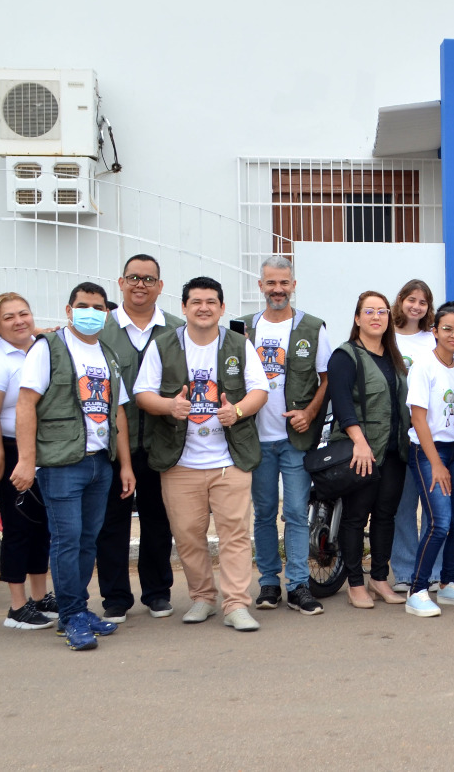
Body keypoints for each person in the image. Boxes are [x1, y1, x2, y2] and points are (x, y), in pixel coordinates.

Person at [134, 276, 268, 632]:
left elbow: (259, 390)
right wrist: (169, 406)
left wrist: (236, 412)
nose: (204, 307)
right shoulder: (163, 345)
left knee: (235, 534)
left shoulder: (240, 345)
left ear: (222, 308)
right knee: (188, 535)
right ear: (184, 307)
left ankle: (236, 604)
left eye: (211, 301)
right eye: (196, 301)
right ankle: (203, 597)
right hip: (180, 462)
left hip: (230, 461)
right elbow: (142, 393)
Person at [14, 283, 135, 650]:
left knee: (87, 541)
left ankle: (78, 609)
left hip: (101, 463)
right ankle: (70, 618)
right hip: (62, 463)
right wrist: (26, 460)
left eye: (98, 307)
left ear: (107, 313)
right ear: (69, 310)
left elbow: (118, 412)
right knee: (67, 541)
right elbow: (25, 404)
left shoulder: (108, 354)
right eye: (83, 305)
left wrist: (125, 465)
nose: (91, 312)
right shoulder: (49, 348)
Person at [240, 255, 330, 616]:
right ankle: (268, 583)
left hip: (295, 441)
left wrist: (310, 412)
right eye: (271, 283)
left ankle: (298, 585)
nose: (278, 289)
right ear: (260, 285)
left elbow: (327, 378)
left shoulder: (312, 327)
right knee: (263, 513)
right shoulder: (242, 328)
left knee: (294, 512)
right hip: (255, 438)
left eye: (284, 283)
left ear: (293, 285)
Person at [95, 254, 183, 623]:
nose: (140, 285)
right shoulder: (99, 329)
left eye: (148, 279)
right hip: (113, 446)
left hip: (162, 444)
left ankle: (158, 593)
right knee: (110, 524)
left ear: (160, 286)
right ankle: (115, 597)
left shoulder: (177, 329)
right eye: (133, 277)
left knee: (158, 521)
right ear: (121, 282)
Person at [0, 292, 55, 630]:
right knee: (19, 528)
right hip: (12, 449)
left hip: (46, 449)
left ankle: (40, 597)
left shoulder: (44, 348)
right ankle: (17, 607)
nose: (19, 320)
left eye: (24, 313)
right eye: (9, 317)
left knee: (42, 527)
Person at [325, 291, 413, 609]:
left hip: (392, 452)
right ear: (357, 317)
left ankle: (379, 578)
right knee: (355, 517)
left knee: (385, 516)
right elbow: (343, 403)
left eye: (382, 311)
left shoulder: (393, 358)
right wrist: (359, 443)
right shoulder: (345, 355)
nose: (376, 317)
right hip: (361, 452)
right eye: (369, 311)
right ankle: (355, 583)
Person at [404, 302, 454, 616]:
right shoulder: (423, 366)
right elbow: (418, 419)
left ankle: (448, 584)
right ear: (434, 331)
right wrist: (435, 462)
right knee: (439, 522)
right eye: (447, 329)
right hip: (429, 452)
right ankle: (418, 589)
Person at [390, 279, 441, 593]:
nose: (416, 307)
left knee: (434, 509)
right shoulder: (388, 337)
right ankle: (404, 571)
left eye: (422, 302)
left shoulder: (433, 338)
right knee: (403, 507)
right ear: (400, 300)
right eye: (411, 300)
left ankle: (432, 570)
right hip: (397, 435)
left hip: (431, 434)